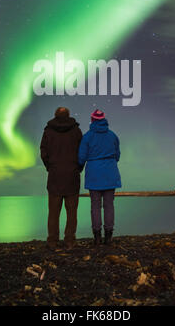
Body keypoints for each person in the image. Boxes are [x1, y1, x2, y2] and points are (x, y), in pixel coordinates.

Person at [40, 107, 83, 250]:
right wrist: (77, 167)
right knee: (72, 213)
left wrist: (50, 167)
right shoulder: (76, 131)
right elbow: (82, 152)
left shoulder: (48, 131)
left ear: (55, 115)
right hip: (72, 176)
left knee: (53, 212)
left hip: (55, 177)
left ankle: (52, 241)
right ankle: (69, 241)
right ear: (69, 115)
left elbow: (43, 153)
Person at [78, 109, 121, 246]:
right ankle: (108, 237)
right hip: (110, 174)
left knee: (95, 206)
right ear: (103, 119)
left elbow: (81, 158)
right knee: (109, 206)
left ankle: (97, 237)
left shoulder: (87, 137)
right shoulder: (113, 136)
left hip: (94, 175)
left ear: (92, 120)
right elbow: (117, 155)